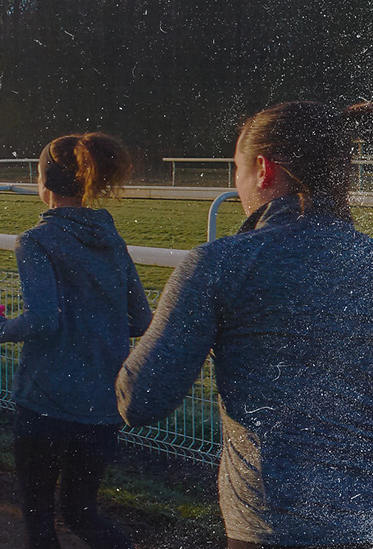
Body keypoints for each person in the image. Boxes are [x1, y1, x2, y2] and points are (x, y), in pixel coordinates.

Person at [119, 102, 373, 549]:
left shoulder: (220, 264)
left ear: (263, 169)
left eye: (235, 171)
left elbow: (141, 400)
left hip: (269, 528)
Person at [0, 133, 147, 549]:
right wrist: (95, 326)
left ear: (45, 183)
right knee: (81, 512)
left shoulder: (35, 240)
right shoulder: (112, 239)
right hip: (103, 404)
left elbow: (43, 321)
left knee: (38, 514)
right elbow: (142, 318)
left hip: (46, 402)